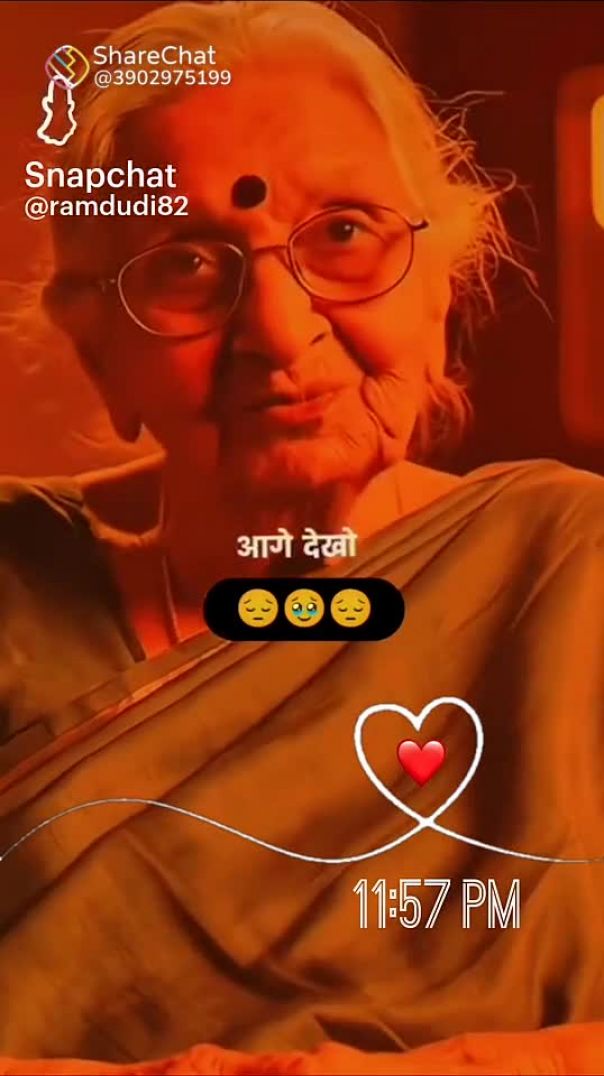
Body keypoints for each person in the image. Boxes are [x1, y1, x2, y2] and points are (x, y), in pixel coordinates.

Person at [0, 1, 603, 1073]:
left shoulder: (572, 568)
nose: (280, 332)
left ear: (443, 283)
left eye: (344, 233)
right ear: (98, 348)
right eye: (187, 263)